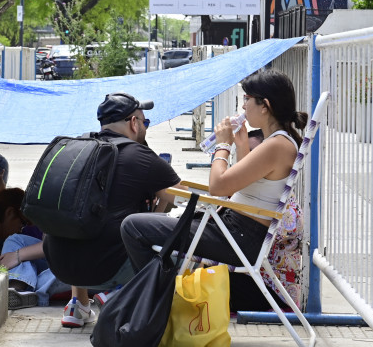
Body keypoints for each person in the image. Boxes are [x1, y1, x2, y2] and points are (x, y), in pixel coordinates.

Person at [121, 69, 308, 311]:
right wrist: (241, 145)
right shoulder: (278, 142)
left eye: (246, 99)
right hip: (235, 230)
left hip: (239, 236)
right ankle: (159, 300)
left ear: (265, 105)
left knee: (133, 226)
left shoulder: (276, 145)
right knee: (146, 225)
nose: (243, 107)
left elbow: (219, 187)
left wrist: (223, 145)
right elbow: (240, 190)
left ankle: (156, 305)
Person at [42, 92, 181, 327]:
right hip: (106, 271)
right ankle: (123, 300)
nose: (145, 128)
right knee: (178, 253)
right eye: (145, 122)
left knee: (85, 216)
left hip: (59, 265)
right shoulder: (139, 155)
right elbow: (182, 196)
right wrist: (161, 201)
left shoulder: (77, 147)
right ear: (134, 123)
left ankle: (78, 304)